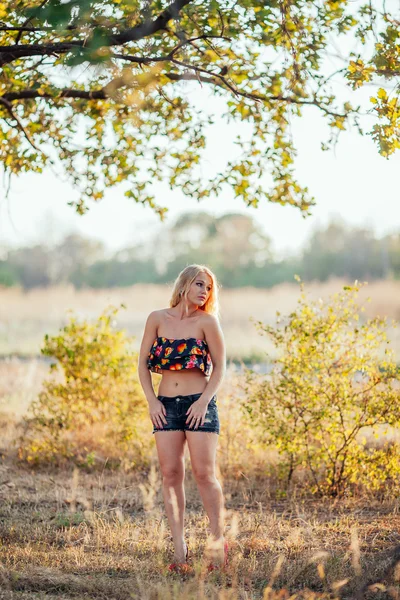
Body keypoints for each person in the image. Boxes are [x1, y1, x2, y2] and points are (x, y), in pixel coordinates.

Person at [138, 264, 228, 572]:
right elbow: (141, 365)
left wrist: (204, 401)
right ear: (184, 285)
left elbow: (220, 368)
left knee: (205, 475)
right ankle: (179, 550)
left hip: (198, 403)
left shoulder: (208, 322)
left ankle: (218, 546)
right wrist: (152, 401)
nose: (205, 291)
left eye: (208, 287)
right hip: (165, 405)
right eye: (200, 284)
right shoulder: (157, 319)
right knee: (170, 474)